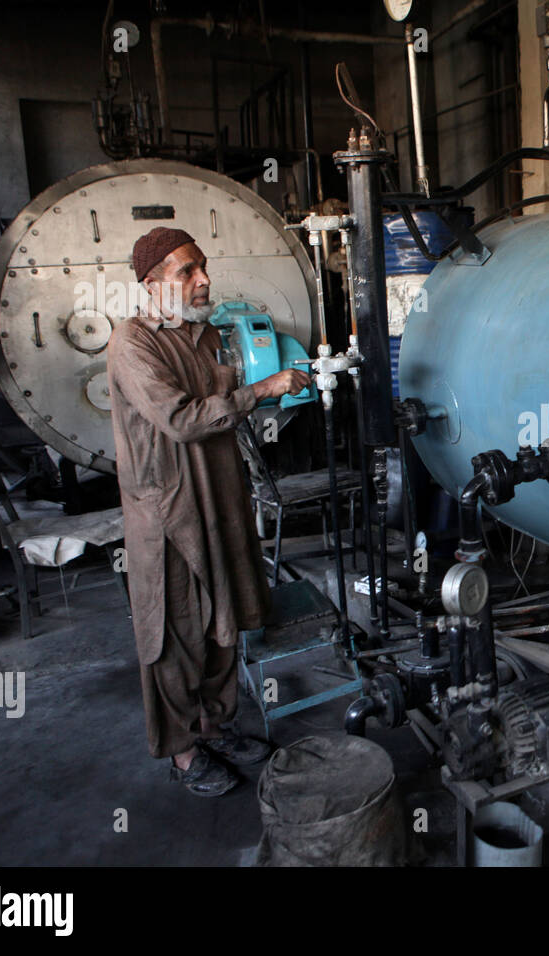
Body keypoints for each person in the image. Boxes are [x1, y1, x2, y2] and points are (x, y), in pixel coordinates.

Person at [107, 226, 310, 796]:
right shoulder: (133, 342)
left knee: (225, 623)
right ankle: (183, 752)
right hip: (169, 513)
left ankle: (215, 727)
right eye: (186, 273)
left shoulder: (205, 336)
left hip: (220, 501)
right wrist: (262, 390)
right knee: (176, 634)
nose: (204, 280)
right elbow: (183, 420)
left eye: (203, 267)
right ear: (151, 284)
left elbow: (220, 412)